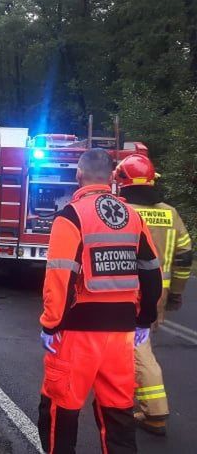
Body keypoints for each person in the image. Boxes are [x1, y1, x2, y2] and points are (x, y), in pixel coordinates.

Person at [38, 149, 162, 454]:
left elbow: (60, 276)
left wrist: (51, 324)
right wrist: (143, 319)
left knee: (60, 408)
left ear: (78, 175)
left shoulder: (71, 215)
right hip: (121, 336)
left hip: (78, 334)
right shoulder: (132, 216)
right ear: (111, 177)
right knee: (118, 412)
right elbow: (150, 270)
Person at [114, 154, 193, 436]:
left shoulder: (119, 211)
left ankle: (155, 412)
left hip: (126, 295)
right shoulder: (170, 214)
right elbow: (184, 256)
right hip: (158, 294)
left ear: (121, 181)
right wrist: (176, 294)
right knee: (133, 347)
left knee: (139, 351)